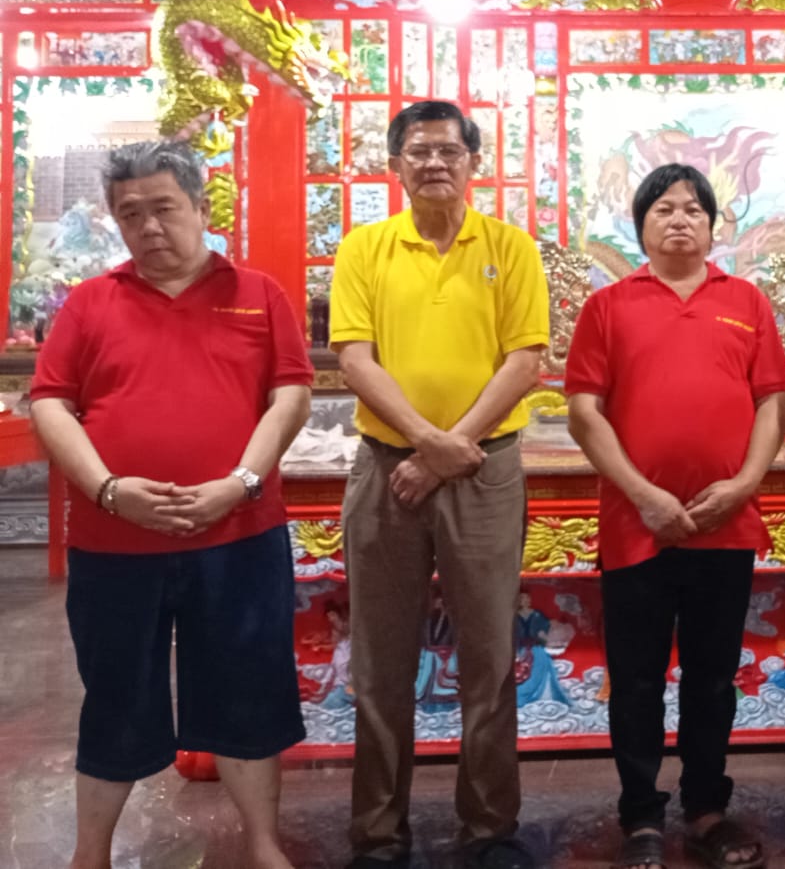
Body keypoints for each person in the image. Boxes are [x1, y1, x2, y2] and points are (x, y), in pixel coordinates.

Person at [30, 141, 312, 869]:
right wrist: (109, 489)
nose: (149, 227)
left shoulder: (258, 294)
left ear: (200, 208)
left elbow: (289, 395)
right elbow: (51, 402)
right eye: (131, 214)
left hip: (239, 535)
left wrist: (241, 482)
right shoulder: (91, 302)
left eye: (163, 208)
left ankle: (263, 846)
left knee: (248, 691)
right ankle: (90, 854)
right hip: (115, 543)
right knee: (115, 695)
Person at [330, 100, 549, 869]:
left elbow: (525, 359)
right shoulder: (365, 248)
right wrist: (427, 444)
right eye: (418, 151)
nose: (433, 163)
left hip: (484, 471)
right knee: (380, 661)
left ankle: (488, 828)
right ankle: (377, 833)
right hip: (386, 470)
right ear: (395, 165)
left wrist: (452, 449)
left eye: (448, 151)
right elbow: (353, 357)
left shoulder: (509, 247)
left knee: (488, 656)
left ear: (472, 162)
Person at [566, 163, 785, 869]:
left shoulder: (746, 302)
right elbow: (584, 413)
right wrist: (643, 494)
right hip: (637, 524)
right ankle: (640, 816)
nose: (680, 219)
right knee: (635, 679)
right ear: (640, 226)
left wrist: (744, 484)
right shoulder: (608, 306)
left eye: (693, 209)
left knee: (712, 677)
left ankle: (707, 809)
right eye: (663, 209)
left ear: (713, 226)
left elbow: (772, 401)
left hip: (726, 523)